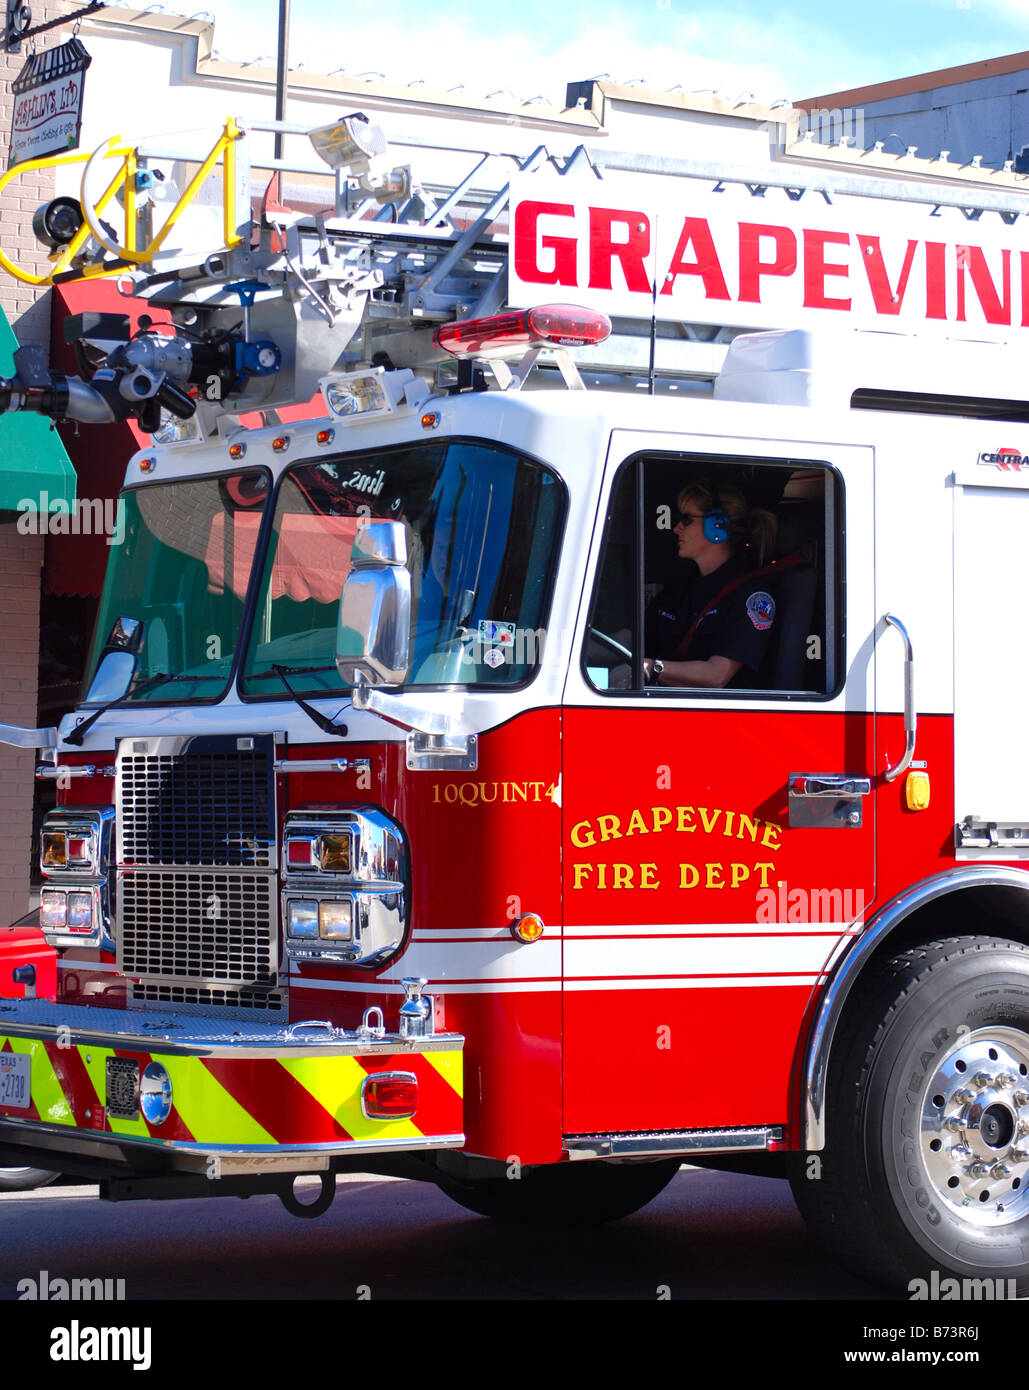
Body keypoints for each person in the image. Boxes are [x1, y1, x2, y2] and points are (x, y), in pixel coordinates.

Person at [644, 480, 778, 688]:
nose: (676, 528)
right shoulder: (681, 588)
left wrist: (652, 668)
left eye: (687, 520)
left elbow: (716, 674)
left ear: (717, 525)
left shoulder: (751, 596)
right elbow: (636, 635)